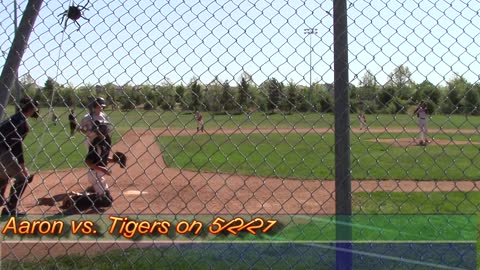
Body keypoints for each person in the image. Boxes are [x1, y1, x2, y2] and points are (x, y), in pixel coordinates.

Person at [0, 97, 40, 216]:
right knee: (24, 178)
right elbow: (17, 147)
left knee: (5, 175)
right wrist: (23, 167)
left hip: (3, 150)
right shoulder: (21, 122)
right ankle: (10, 209)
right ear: (31, 109)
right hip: (2, 151)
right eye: (35, 108)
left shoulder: (14, 118)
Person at [63, 121, 114, 212]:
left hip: (100, 174)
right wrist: (102, 168)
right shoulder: (95, 145)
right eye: (105, 129)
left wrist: (115, 160)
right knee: (106, 202)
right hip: (94, 174)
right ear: (101, 132)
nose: (108, 131)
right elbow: (88, 162)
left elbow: (104, 158)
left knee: (108, 199)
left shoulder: (105, 143)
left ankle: (87, 193)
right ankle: (74, 198)